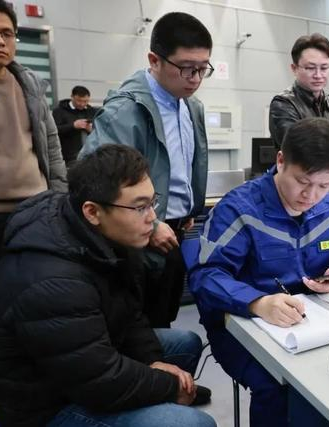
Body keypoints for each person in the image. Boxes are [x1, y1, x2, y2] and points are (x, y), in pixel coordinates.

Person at [0, 144, 215, 427]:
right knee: (191, 424)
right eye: (139, 207)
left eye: (152, 203)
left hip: (85, 365)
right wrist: (167, 386)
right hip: (47, 404)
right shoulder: (53, 279)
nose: (152, 218)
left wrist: (152, 361)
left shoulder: (105, 237)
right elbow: (98, 380)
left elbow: (129, 312)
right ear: (93, 211)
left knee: (186, 344)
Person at [189, 118, 329, 426]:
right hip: (241, 327)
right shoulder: (239, 209)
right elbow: (206, 276)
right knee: (279, 386)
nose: (311, 196)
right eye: (302, 182)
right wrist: (257, 302)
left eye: (324, 185)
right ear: (280, 161)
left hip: (312, 323)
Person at [81, 12, 211, 328]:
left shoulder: (191, 106)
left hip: (174, 231)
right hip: (136, 241)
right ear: (154, 60)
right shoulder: (126, 110)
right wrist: (152, 225)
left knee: (163, 319)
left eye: (202, 68)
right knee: (137, 329)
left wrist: (188, 207)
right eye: (186, 68)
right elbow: (95, 180)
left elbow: (183, 165)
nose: (195, 78)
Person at [0, 0, 66, 270]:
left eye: (7, 33)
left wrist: (59, 199)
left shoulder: (29, 84)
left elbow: (52, 147)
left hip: (37, 209)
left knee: (37, 283)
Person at [268, 33, 329, 220]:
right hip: (303, 199)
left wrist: (323, 138)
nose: (318, 75)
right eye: (310, 68)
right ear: (294, 68)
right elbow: (302, 148)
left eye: (324, 68)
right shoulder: (283, 104)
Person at [53, 85, 97, 168]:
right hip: (68, 157)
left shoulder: (92, 111)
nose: (82, 104)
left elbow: (101, 131)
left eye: (85, 101)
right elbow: (54, 131)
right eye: (79, 101)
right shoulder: (59, 111)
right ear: (72, 97)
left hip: (90, 155)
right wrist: (73, 126)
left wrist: (91, 130)